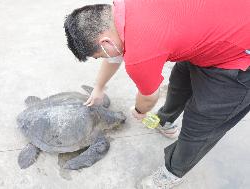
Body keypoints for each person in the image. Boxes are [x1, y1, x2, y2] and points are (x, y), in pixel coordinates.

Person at [64, 0, 250, 188]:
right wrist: (99, 88)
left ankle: (172, 172)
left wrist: (139, 110)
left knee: (201, 125)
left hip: (241, 56)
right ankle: (165, 121)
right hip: (216, 30)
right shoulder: (123, 11)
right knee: (179, 82)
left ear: (105, 42)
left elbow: (148, 98)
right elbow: (114, 54)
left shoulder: (140, 55)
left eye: (101, 55)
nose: (105, 58)